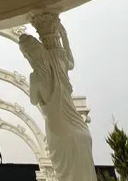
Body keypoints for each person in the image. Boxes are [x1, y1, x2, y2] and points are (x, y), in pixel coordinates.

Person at [19, 22, 96, 181]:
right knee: (84, 171)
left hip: (58, 129)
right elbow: (71, 63)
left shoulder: (36, 77)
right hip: (78, 127)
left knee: (66, 173)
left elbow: (33, 100)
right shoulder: (58, 61)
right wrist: (64, 36)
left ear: (28, 57)